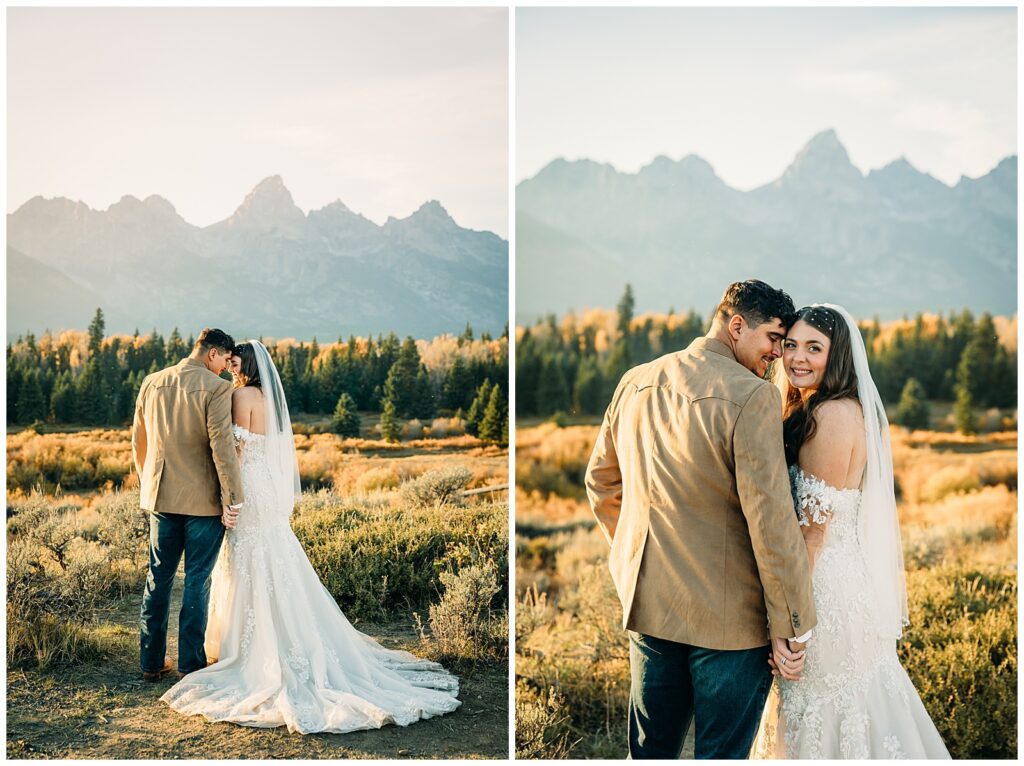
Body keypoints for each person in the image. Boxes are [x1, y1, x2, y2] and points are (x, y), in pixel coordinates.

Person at [160, 340, 461, 733]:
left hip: (247, 487)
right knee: (271, 557)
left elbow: (235, 449)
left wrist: (224, 492)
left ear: (246, 364)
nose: (231, 369)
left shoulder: (240, 395)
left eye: (235, 363)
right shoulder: (269, 398)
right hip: (266, 487)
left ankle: (250, 649)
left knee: (246, 559)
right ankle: (284, 635)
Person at [585, 279, 816, 759]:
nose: (778, 352)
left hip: (651, 609)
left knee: (650, 753)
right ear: (736, 325)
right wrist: (789, 624)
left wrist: (634, 557)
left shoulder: (636, 380)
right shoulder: (753, 395)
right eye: (774, 338)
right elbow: (771, 522)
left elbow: (601, 483)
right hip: (731, 626)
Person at [751, 304, 950, 759]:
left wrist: (791, 626)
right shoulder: (840, 408)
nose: (797, 358)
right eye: (791, 345)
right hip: (842, 584)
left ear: (837, 355)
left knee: (824, 715)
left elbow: (812, 535)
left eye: (814, 348)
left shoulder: (833, 417)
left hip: (823, 595)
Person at [133, 328, 244, 681]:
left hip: (160, 497)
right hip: (203, 502)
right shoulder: (217, 389)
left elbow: (139, 440)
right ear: (212, 353)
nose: (227, 368)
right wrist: (233, 498)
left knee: (159, 577)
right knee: (197, 578)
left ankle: (151, 662)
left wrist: (147, 483)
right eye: (226, 360)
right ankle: (190, 664)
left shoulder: (152, 382)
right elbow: (222, 448)